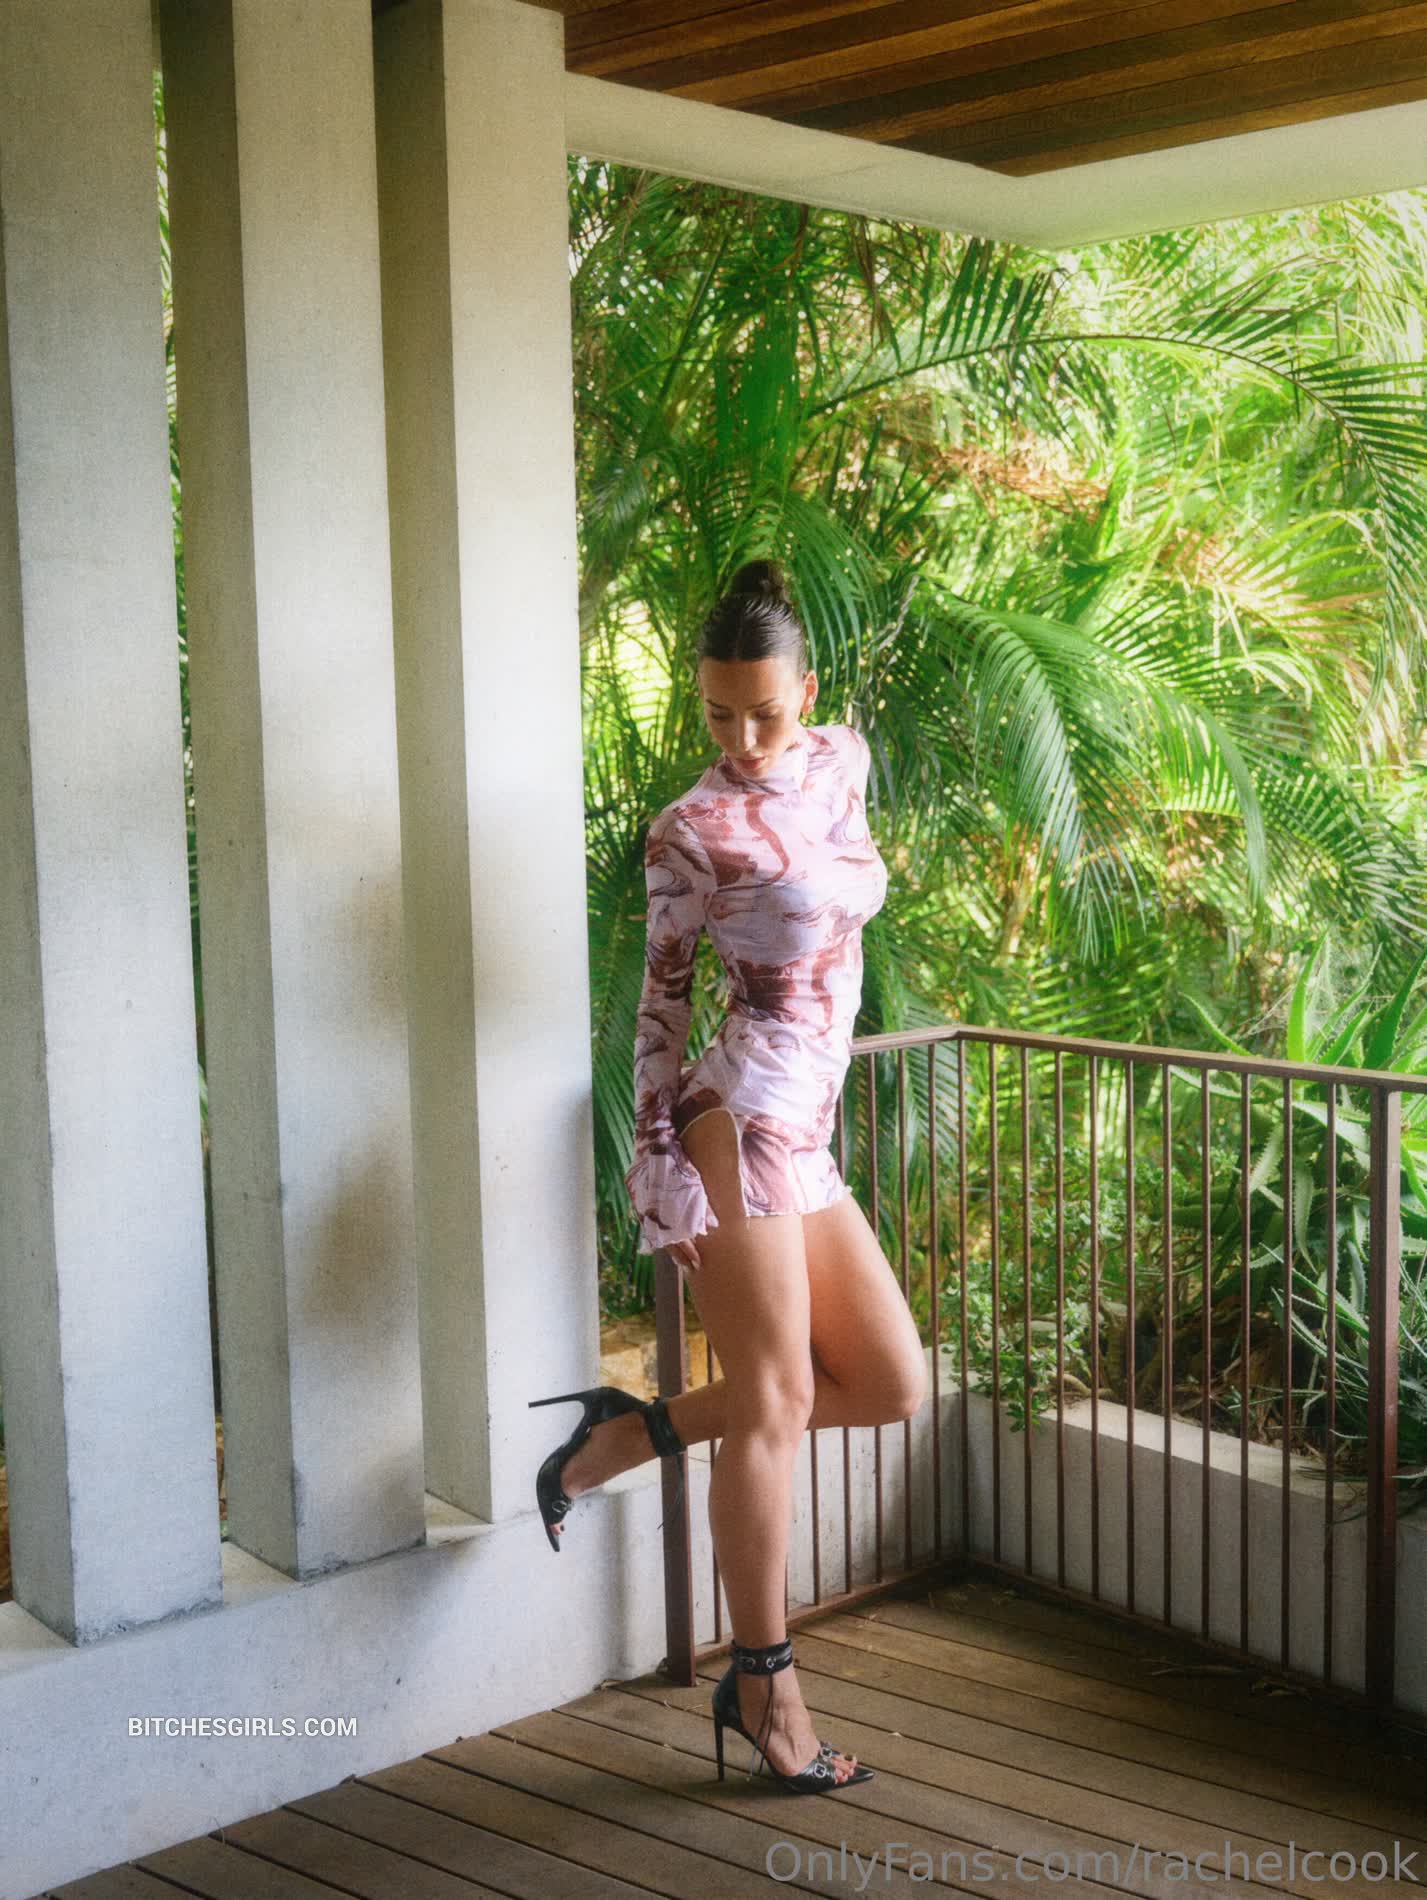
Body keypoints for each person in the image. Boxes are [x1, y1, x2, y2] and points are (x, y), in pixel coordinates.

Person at [531, 559, 927, 1796]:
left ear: (805, 692)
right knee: (773, 1403)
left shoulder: (842, 761)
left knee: (887, 1379)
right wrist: (659, 1176)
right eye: (716, 713)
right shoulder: (689, 830)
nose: (741, 740)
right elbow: (659, 1012)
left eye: (761, 711)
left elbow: (841, 887)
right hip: (740, 1117)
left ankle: (627, 1430)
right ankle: (763, 1685)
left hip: (806, 1124)